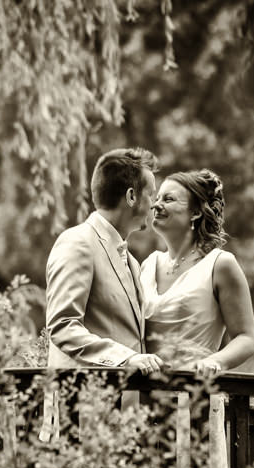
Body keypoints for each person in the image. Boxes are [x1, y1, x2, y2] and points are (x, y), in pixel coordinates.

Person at [140, 168, 254, 468]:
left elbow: (248, 338)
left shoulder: (221, 265)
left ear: (195, 213)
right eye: (156, 198)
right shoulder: (145, 265)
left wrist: (213, 361)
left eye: (168, 199)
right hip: (145, 412)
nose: (156, 205)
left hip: (197, 404)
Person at [39, 147, 164, 443]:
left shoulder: (131, 261)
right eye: (151, 194)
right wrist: (126, 359)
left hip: (120, 419)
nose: (154, 204)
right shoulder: (77, 242)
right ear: (132, 197)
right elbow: (63, 327)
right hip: (78, 416)